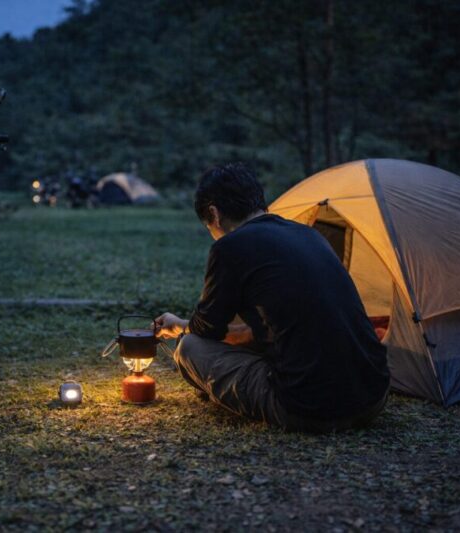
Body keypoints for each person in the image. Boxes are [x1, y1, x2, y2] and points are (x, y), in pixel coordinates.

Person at [155, 162, 390, 433]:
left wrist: (178, 325)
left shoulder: (230, 247)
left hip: (308, 409)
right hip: (373, 397)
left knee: (189, 347)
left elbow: (207, 329)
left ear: (214, 214)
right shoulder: (309, 234)